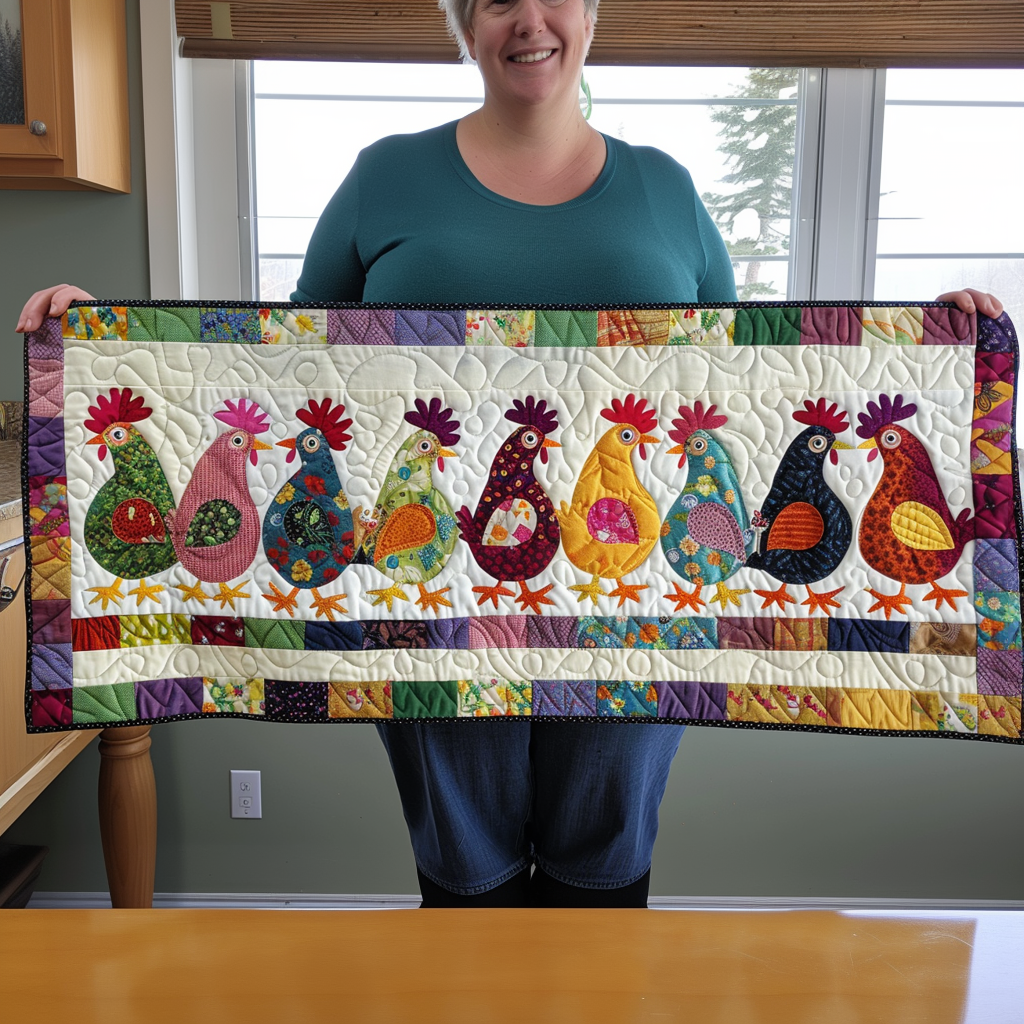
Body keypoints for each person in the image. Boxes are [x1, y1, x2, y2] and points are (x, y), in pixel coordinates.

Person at [17, 0, 1005, 910]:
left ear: (592, 12)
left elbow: (747, 383)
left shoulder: (664, 188)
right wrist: (100, 342)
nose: (529, 20)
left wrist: (937, 342)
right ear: (464, 22)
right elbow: (283, 364)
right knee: (466, 886)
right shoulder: (384, 177)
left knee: (601, 885)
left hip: (634, 609)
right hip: (429, 602)